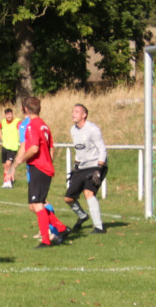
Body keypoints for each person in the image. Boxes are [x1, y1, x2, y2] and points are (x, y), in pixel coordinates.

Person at [11, 96, 70, 248]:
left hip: (38, 167)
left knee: (37, 204)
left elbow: (34, 148)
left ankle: (46, 240)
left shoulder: (31, 126)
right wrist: (49, 163)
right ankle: (62, 228)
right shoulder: (44, 126)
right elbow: (51, 148)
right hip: (44, 167)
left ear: (25, 109)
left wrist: (21, 159)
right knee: (34, 205)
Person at [64, 103, 108, 234]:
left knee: (88, 192)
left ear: (84, 115)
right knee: (68, 198)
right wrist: (75, 167)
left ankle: (99, 227)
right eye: (73, 111)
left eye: (77, 112)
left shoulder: (92, 129)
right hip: (82, 167)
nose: (73, 114)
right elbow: (79, 150)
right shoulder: (73, 130)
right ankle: (83, 216)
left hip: (95, 165)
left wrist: (99, 169)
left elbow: (102, 149)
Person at [0, 107, 22, 188]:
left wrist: (21, 139)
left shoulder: (17, 121)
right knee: (5, 166)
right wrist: (2, 138)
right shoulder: (3, 122)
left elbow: (20, 129)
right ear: (5, 115)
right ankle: (6, 182)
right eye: (7, 114)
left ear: (12, 114)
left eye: (10, 114)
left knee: (8, 164)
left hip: (13, 147)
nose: (9, 116)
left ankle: (9, 182)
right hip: (5, 146)